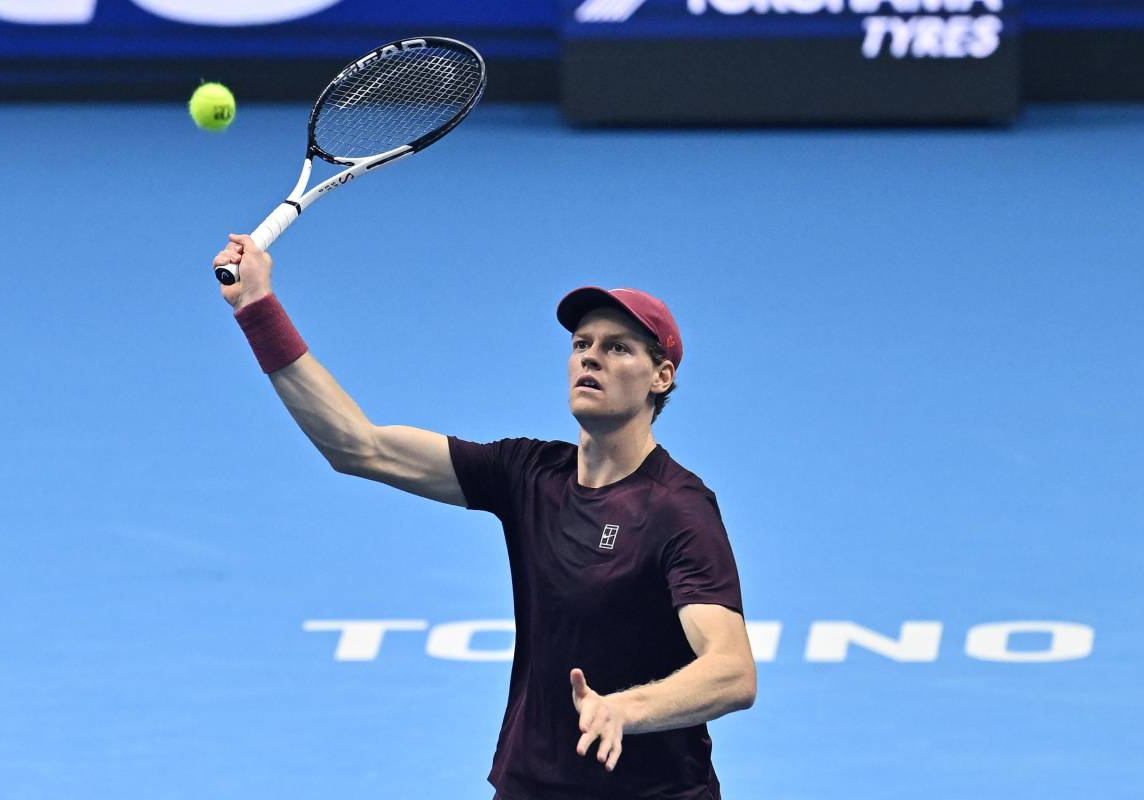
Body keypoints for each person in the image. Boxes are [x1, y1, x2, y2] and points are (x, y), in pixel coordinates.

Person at [214, 234, 757, 800]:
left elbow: (733, 670)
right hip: (531, 786)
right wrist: (257, 306)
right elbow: (357, 446)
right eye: (581, 343)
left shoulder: (677, 507)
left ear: (661, 377)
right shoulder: (528, 474)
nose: (590, 356)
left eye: (618, 348)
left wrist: (626, 708)